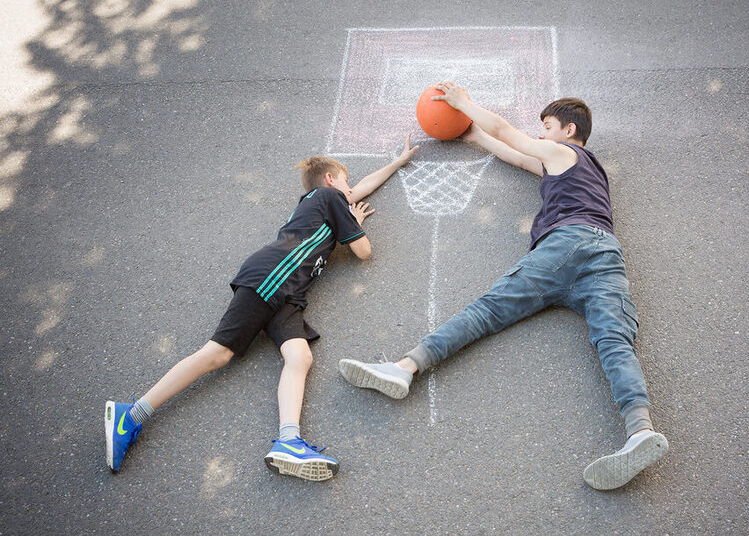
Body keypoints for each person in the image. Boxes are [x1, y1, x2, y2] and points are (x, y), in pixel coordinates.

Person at [339, 82, 667, 490]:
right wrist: (476, 138)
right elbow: (515, 154)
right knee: (615, 339)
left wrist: (465, 105)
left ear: (568, 131)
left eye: (546, 126)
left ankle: (405, 367)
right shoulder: (575, 167)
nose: (541, 134)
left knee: (487, 311)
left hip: (566, 247)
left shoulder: (565, 151)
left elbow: (511, 134)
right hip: (604, 256)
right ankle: (640, 431)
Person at [105, 137, 418, 481]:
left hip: (290, 294)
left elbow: (360, 189)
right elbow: (363, 251)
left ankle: (289, 442)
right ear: (330, 181)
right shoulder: (330, 198)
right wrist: (354, 224)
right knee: (217, 355)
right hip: (272, 278)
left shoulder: (326, 201)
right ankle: (130, 416)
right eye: (346, 180)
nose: (351, 189)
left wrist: (398, 163)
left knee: (300, 357)